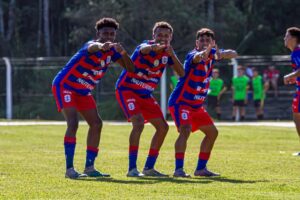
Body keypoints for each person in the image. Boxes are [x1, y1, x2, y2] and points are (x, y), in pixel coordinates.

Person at [52, 17, 135, 179]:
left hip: (83, 91)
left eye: (112, 34)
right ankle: (70, 169)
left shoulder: (113, 52)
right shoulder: (91, 45)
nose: (109, 37)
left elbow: (131, 69)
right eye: (105, 33)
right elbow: (93, 46)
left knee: (96, 124)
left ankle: (89, 167)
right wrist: (101, 45)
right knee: (73, 123)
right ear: (98, 33)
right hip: (65, 86)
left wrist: (123, 52)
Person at [115, 21, 185, 177]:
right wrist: (154, 47)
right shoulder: (146, 46)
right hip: (128, 90)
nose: (163, 38)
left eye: (166, 36)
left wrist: (172, 55)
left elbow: (182, 74)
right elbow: (144, 49)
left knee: (163, 127)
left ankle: (149, 168)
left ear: (171, 37)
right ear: (153, 36)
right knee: (138, 124)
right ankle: (132, 169)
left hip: (145, 95)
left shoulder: (168, 53)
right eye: (159, 35)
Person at [168, 28, 237, 177]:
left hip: (196, 105)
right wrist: (209, 51)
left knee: (212, 133)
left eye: (208, 40)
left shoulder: (213, 54)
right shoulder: (192, 55)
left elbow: (234, 53)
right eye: (202, 40)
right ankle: (178, 169)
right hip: (181, 102)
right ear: (196, 42)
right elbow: (199, 56)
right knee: (185, 131)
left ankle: (201, 169)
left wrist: (220, 54)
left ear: (213, 42)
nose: (205, 43)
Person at [283, 27, 300, 156]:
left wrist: (289, 76)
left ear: (294, 38)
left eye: (287, 36)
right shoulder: (294, 52)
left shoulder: (297, 52)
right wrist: (294, 78)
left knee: (297, 116)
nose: (285, 38)